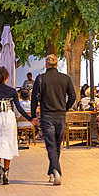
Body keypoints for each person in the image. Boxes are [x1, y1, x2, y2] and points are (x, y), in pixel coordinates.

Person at [30, 54, 77, 186]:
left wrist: (33, 115)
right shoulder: (65, 78)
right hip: (61, 115)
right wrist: (65, 108)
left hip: (47, 116)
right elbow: (73, 96)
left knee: (51, 146)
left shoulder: (40, 79)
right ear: (57, 64)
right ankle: (51, 173)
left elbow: (34, 99)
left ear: (46, 65)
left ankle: (56, 172)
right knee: (57, 145)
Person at [0, 67, 30, 185]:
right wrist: (30, 118)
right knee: (8, 144)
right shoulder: (12, 90)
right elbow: (19, 108)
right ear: (7, 77)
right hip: (9, 117)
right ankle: (6, 174)